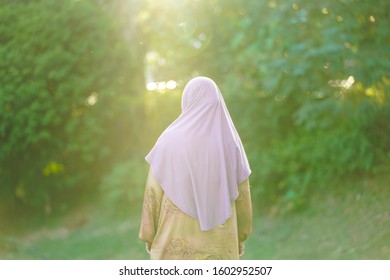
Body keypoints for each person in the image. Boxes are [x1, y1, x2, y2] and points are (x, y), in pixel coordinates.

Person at [139, 76, 252, 260]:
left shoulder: (168, 140)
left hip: (174, 246)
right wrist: (241, 235)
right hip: (221, 247)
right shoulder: (230, 144)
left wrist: (149, 234)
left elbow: (153, 191)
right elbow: (243, 195)